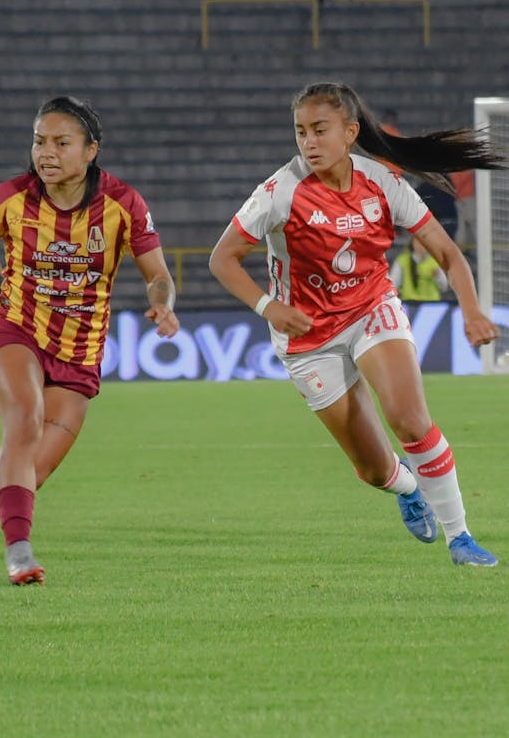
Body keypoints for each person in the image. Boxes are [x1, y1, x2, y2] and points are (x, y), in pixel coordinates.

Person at [209, 81, 506, 568]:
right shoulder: (279, 192)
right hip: (307, 337)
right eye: (301, 131)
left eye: (320, 130)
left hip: (371, 308)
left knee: (411, 420)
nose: (309, 142)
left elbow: (447, 252)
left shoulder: (384, 183)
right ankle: (407, 487)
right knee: (372, 469)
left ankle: (461, 538)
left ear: (350, 133)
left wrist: (472, 308)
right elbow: (223, 259)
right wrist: (269, 307)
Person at [0, 95, 179, 586]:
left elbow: (158, 274)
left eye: (62, 143)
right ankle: (19, 552)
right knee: (22, 421)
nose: (47, 152)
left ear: (90, 151)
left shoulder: (124, 204)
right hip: (15, 329)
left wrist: (163, 302)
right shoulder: (9, 198)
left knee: (22, 478)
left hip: (80, 353)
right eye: (40, 141)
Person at [389, 237, 450, 302]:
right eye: (418, 242)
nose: (420, 246)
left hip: (432, 305)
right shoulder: (402, 261)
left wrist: (438, 276)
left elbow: (444, 287)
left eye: (423, 243)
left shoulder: (435, 261)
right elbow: (393, 285)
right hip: (409, 304)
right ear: (413, 244)